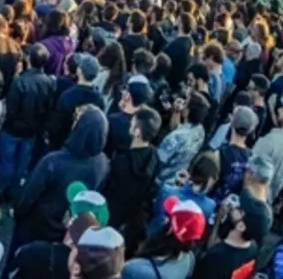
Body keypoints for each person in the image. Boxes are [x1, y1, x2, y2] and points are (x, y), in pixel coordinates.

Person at [13, 107, 110, 246]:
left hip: (35, 227)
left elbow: (27, 196)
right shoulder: (103, 162)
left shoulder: (53, 161)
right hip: (64, 230)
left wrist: (19, 215)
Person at [0, 43, 55, 197]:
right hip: (32, 131)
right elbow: (48, 108)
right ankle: (13, 191)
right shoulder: (49, 82)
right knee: (22, 163)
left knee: (7, 161)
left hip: (13, 129)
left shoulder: (20, 81)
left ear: (29, 59)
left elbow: (11, 107)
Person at [103, 106, 161, 252]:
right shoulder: (154, 157)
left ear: (137, 132)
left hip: (112, 213)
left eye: (132, 122)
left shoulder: (121, 163)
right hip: (131, 219)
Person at [156, 92, 210, 188]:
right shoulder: (200, 131)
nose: (183, 104)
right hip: (177, 180)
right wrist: (177, 112)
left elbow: (158, 161)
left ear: (188, 111)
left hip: (160, 180)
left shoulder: (175, 137)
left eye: (185, 103)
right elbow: (176, 128)